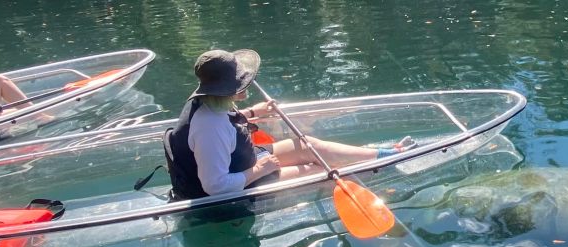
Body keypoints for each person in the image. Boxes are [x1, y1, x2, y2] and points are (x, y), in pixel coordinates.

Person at [164, 49, 414, 201]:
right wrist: (260, 170)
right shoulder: (210, 125)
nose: (246, 84)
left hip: (243, 161)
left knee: (307, 145)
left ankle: (385, 156)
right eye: (241, 81)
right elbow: (215, 187)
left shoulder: (211, 102)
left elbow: (226, 124)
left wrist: (252, 112)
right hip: (236, 186)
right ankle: (383, 171)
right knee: (317, 171)